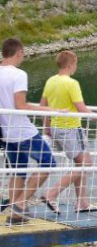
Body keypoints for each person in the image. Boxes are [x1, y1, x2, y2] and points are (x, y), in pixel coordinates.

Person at [40, 50, 97, 214]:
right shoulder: (72, 84)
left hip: (57, 127)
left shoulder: (51, 81)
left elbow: (44, 106)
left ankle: (82, 202)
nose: (76, 67)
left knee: (81, 164)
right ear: (71, 64)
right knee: (86, 164)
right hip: (71, 128)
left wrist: (47, 128)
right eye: (76, 64)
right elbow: (81, 109)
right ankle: (52, 194)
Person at [0, 38, 61, 225]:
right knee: (48, 164)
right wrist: (51, 111)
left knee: (18, 171)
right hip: (23, 131)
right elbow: (20, 105)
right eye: (23, 55)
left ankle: (15, 215)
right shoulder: (18, 74)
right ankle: (20, 203)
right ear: (19, 53)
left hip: (6, 133)